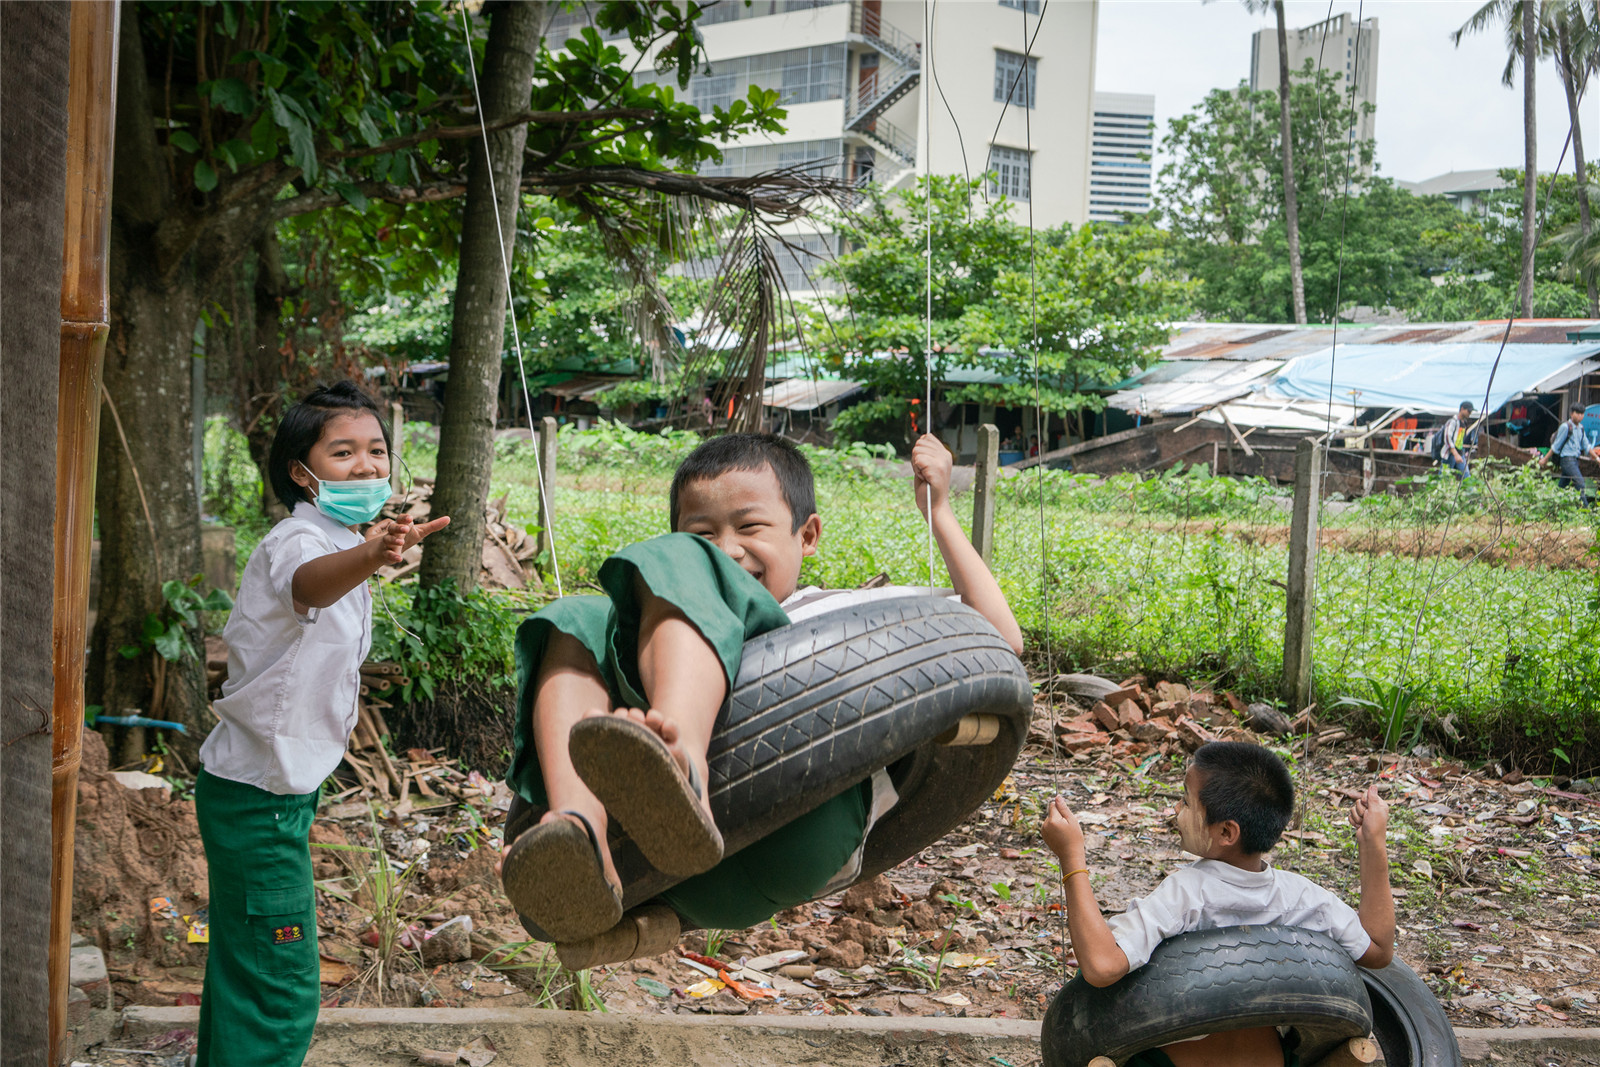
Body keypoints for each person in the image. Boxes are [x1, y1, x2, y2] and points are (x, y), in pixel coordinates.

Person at [500, 432, 1023, 944]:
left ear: (808, 535)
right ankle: (580, 833)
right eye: (702, 537)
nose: (727, 551)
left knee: (677, 572)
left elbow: (999, 641)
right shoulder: (657, 644)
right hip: (675, 877)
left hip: (802, 823)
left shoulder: (846, 619)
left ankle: (682, 767)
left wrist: (941, 514)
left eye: (750, 527)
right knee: (571, 618)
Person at [195, 381, 450, 1067]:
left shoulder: (340, 539)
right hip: (259, 801)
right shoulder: (299, 540)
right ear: (302, 473)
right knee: (279, 992)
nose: (367, 465)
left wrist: (368, 550)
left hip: (267, 794)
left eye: (376, 450)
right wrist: (373, 553)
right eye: (343, 452)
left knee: (243, 976)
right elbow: (309, 583)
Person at [1041, 742, 1395, 1067]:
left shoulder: (1188, 894)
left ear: (1227, 832)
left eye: (1186, 801)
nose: (1175, 808)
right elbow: (1378, 949)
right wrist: (1372, 841)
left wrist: (1071, 856)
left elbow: (1102, 967)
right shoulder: (1302, 898)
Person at [1538, 406, 1600, 505]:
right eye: (1578, 413)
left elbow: (1587, 446)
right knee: (1580, 483)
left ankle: (1553, 504)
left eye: (1582, 414)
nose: (1580, 416)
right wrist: (1545, 459)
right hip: (1567, 460)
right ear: (1571, 413)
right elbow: (1556, 446)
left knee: (1563, 484)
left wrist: (1597, 458)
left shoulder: (1581, 428)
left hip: (1575, 460)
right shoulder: (1565, 427)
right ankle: (1586, 510)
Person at [1432, 401, 1476, 480]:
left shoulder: (1464, 423)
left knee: (1466, 477)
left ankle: (1471, 492)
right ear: (1462, 409)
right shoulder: (1452, 421)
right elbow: (1447, 438)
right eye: (1468, 411)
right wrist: (1455, 454)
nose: (1470, 413)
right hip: (1450, 454)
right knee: (1444, 478)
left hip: (1460, 453)